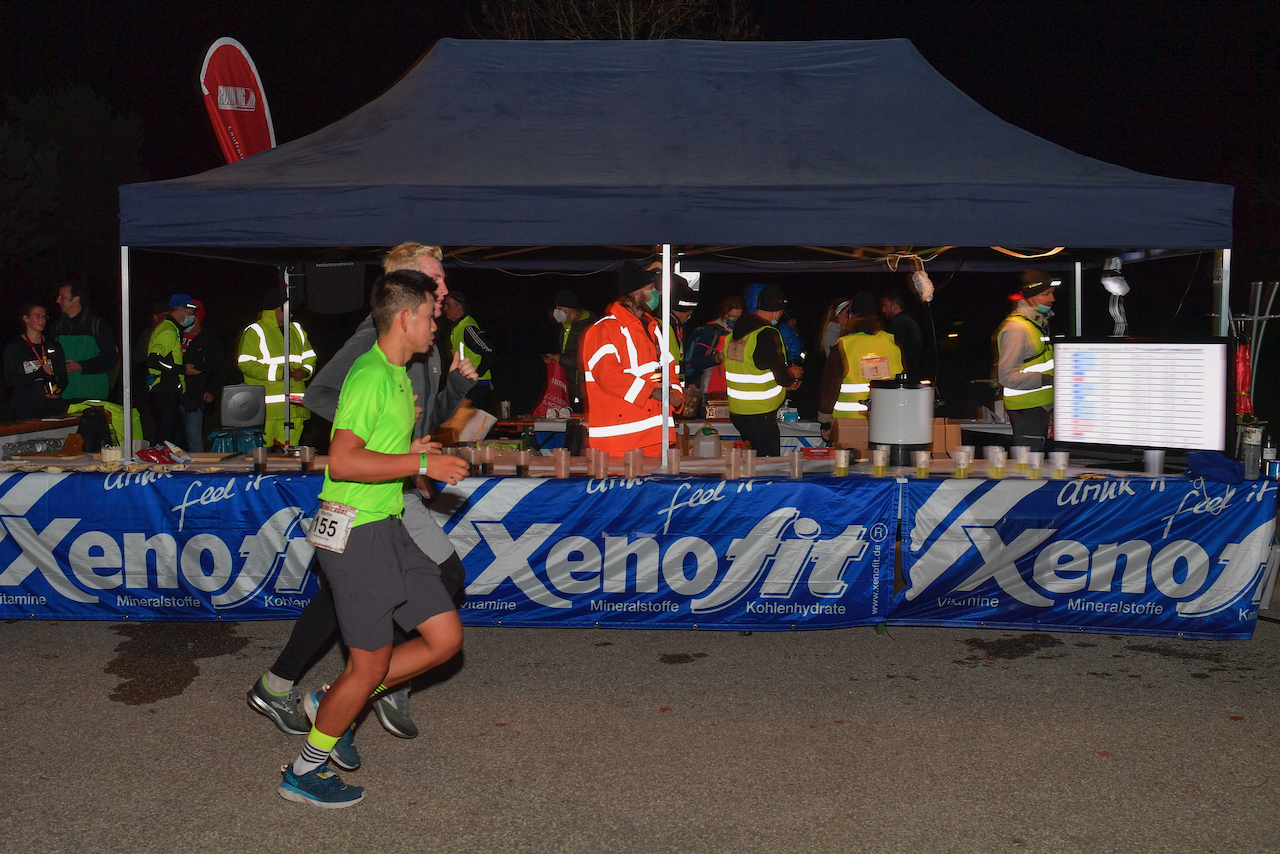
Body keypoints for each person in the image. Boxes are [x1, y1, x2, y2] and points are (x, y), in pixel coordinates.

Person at [249, 243, 476, 760]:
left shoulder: (417, 354)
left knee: (352, 595)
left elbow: (420, 418)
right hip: (368, 495)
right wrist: (404, 457)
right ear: (406, 296)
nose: (444, 292)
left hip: (386, 494)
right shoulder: (375, 354)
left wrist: (442, 405)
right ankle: (355, 694)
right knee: (397, 589)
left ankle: (301, 684)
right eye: (435, 282)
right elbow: (328, 408)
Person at [580, 261, 683, 456]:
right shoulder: (603, 330)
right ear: (635, 293)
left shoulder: (654, 328)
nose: (657, 294)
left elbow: (669, 369)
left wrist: (677, 395)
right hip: (619, 442)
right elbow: (608, 375)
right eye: (652, 288)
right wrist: (652, 392)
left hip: (655, 437)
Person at [725, 284, 800, 457]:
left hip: (738, 413)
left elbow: (752, 367)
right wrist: (792, 375)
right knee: (768, 469)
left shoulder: (736, 333)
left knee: (751, 464)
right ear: (777, 311)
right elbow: (781, 376)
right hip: (760, 415)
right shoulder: (767, 333)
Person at [237, 287, 317, 447]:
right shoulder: (255, 331)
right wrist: (280, 373)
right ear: (278, 306)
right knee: (262, 457)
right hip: (268, 411)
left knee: (290, 460)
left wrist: (305, 371)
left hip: (296, 408)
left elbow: (310, 357)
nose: (292, 308)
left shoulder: (297, 330)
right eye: (288, 304)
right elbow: (245, 364)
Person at [818, 292, 903, 435]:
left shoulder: (843, 346)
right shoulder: (892, 343)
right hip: (887, 422)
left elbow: (830, 386)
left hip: (848, 425)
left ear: (852, 315)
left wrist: (825, 420)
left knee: (848, 458)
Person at [996, 270, 1058, 452]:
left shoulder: (1035, 324)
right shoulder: (1017, 329)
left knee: (1035, 468)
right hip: (1027, 409)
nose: (1052, 299)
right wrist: (1048, 379)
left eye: (1052, 293)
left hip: (1039, 408)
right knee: (1029, 469)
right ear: (1030, 297)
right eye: (1046, 294)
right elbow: (1006, 376)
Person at [51, 280, 118, 402]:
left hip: (93, 395)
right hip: (64, 396)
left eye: (62, 297)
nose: (58, 300)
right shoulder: (57, 327)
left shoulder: (97, 325)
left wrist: (81, 366)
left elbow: (111, 359)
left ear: (76, 299)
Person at [145, 295, 199, 447]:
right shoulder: (168, 331)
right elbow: (154, 360)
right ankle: (160, 467)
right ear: (178, 311)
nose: (192, 318)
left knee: (176, 438)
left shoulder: (171, 329)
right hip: (164, 388)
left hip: (168, 388)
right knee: (166, 437)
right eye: (189, 314)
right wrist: (182, 369)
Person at [3, 303, 68, 421]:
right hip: (26, 408)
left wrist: (59, 389)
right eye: (37, 316)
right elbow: (10, 380)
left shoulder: (54, 345)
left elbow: (63, 375)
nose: (42, 320)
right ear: (26, 318)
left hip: (52, 408)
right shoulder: (15, 346)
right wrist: (39, 373)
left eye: (44, 316)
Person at [179, 300, 225, 453]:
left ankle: (197, 471)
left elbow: (220, 368)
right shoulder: (174, 333)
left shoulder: (209, 338)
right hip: (174, 394)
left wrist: (212, 390)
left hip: (195, 396)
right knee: (175, 438)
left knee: (194, 437)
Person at [686, 296, 745, 403]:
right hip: (712, 392)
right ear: (724, 314)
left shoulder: (743, 333)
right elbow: (696, 362)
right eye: (732, 317)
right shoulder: (711, 331)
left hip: (736, 392)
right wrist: (718, 357)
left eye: (738, 317)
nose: (735, 320)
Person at [442, 290, 494, 411]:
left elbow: (489, 351)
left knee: (472, 424)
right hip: (464, 383)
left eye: (448, 305)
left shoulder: (468, 327)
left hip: (476, 385)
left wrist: (477, 374)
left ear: (459, 306)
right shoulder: (456, 327)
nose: (445, 309)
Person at [542, 289, 594, 410]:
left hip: (583, 390)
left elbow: (585, 360)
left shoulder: (586, 327)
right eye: (556, 307)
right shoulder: (566, 327)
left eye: (561, 307)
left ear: (571, 309)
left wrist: (560, 359)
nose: (557, 311)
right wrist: (555, 359)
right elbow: (569, 354)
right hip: (568, 388)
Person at [879, 291, 924, 380]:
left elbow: (897, 351)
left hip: (905, 377)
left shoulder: (899, 324)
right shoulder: (909, 321)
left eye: (886, 306)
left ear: (895, 306)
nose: (883, 310)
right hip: (913, 374)